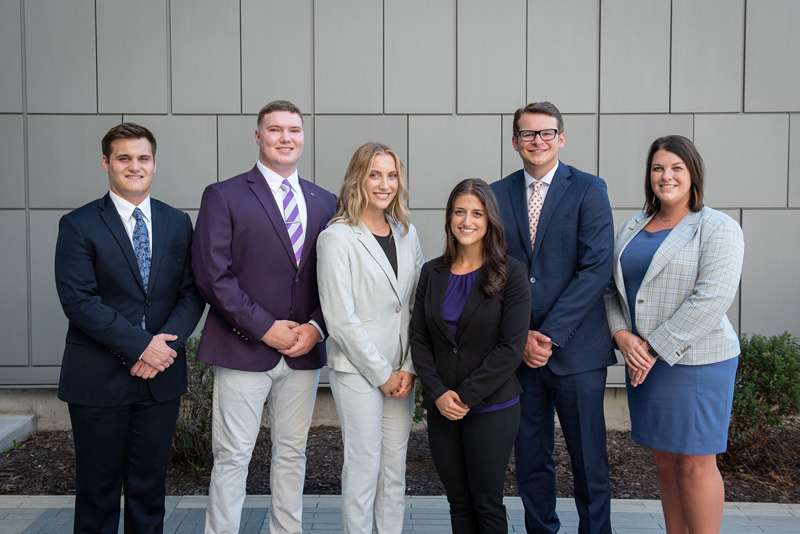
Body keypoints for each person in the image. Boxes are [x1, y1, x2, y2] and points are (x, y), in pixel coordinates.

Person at [192, 100, 337, 534]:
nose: (285, 138)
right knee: (233, 455)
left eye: (294, 130)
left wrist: (315, 328)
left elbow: (335, 280)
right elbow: (213, 275)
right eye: (275, 130)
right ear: (258, 136)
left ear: (303, 137)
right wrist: (264, 328)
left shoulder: (325, 201)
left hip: (302, 352)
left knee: (292, 453)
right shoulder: (224, 195)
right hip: (242, 348)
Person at [54, 123, 204, 533]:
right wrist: (141, 347)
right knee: (98, 492)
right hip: (98, 379)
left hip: (159, 379)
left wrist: (161, 350)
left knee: (149, 490)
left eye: (142, 158)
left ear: (154, 164)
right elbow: (79, 300)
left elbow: (192, 293)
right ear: (106, 163)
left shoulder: (177, 222)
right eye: (123, 158)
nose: (134, 166)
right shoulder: (79, 224)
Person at [604, 135, 744, 534]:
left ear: (693, 173)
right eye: (658, 168)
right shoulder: (633, 226)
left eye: (676, 168)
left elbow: (711, 299)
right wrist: (621, 335)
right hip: (643, 362)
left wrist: (651, 349)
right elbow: (609, 289)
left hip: (697, 362)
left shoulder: (717, 227)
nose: (666, 176)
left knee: (695, 461)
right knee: (665, 459)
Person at [491, 101, 616, 534]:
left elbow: (595, 268)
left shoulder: (589, 189)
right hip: (519, 352)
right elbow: (492, 269)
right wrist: (521, 335)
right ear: (515, 142)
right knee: (530, 458)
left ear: (561, 138)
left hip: (577, 350)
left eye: (546, 133)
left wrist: (548, 334)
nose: (537, 141)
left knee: (589, 459)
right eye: (528, 134)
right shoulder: (496, 194)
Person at [410, 178, 530, 533]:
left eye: (477, 214)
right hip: (442, 405)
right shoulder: (432, 272)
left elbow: (511, 346)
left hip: (492, 406)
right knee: (458, 502)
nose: (467, 221)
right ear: (449, 218)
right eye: (459, 212)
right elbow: (419, 338)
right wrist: (437, 392)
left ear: (490, 220)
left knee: (487, 503)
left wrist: (464, 396)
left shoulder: (511, 273)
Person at [316, 142, 423, 534]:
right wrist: (382, 373)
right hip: (358, 371)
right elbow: (340, 319)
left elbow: (417, 304)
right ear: (357, 178)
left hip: (402, 371)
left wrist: (408, 366)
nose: (384, 184)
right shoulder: (337, 237)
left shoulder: (407, 233)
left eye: (391, 175)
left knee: (394, 471)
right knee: (363, 467)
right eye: (374, 174)